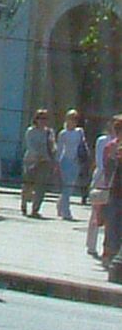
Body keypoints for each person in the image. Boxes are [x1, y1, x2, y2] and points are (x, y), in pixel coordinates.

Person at [21, 109, 56, 218]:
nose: (43, 121)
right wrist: (37, 155)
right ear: (36, 119)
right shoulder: (30, 131)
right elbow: (29, 145)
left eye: (45, 118)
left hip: (45, 161)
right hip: (31, 161)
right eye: (40, 118)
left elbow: (53, 145)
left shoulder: (49, 132)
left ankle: (35, 209)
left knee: (41, 186)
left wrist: (53, 153)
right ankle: (24, 203)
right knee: (28, 184)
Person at [87, 119, 113, 258]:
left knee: (110, 215)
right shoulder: (103, 140)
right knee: (96, 212)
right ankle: (91, 244)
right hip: (102, 177)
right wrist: (106, 175)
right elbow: (99, 160)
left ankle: (107, 248)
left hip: (114, 180)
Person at [56, 108, 86, 220]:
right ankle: (66, 210)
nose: (73, 121)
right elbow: (59, 149)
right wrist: (57, 163)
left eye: (75, 119)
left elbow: (82, 146)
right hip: (65, 160)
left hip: (76, 160)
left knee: (70, 185)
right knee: (66, 186)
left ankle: (60, 205)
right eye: (71, 118)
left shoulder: (79, 132)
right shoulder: (63, 133)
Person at [101, 115, 122, 266]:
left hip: (116, 190)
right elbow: (107, 170)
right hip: (115, 190)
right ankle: (109, 255)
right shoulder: (110, 147)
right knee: (112, 224)